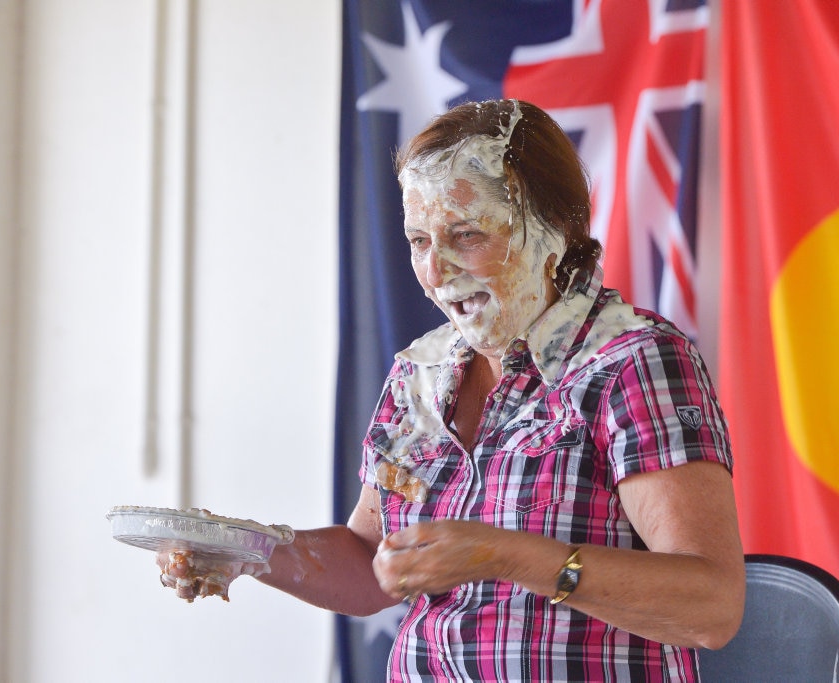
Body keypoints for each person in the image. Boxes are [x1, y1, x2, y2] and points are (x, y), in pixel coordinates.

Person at [157, 99, 745, 681]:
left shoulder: (633, 361)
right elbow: (370, 563)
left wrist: (506, 555)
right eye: (419, 240)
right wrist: (243, 549)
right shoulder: (420, 370)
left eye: (465, 235)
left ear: (554, 231)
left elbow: (710, 609)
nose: (435, 272)